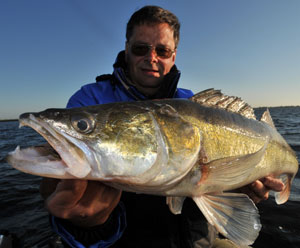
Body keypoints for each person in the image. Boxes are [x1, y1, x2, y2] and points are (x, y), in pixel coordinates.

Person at [40, 5, 285, 248]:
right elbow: (54, 183)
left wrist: (243, 187)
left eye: (162, 50)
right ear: (126, 49)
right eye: (140, 48)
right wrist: (86, 223)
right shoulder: (90, 101)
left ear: (174, 55)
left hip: (197, 239)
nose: (151, 57)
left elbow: (230, 184)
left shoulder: (192, 103)